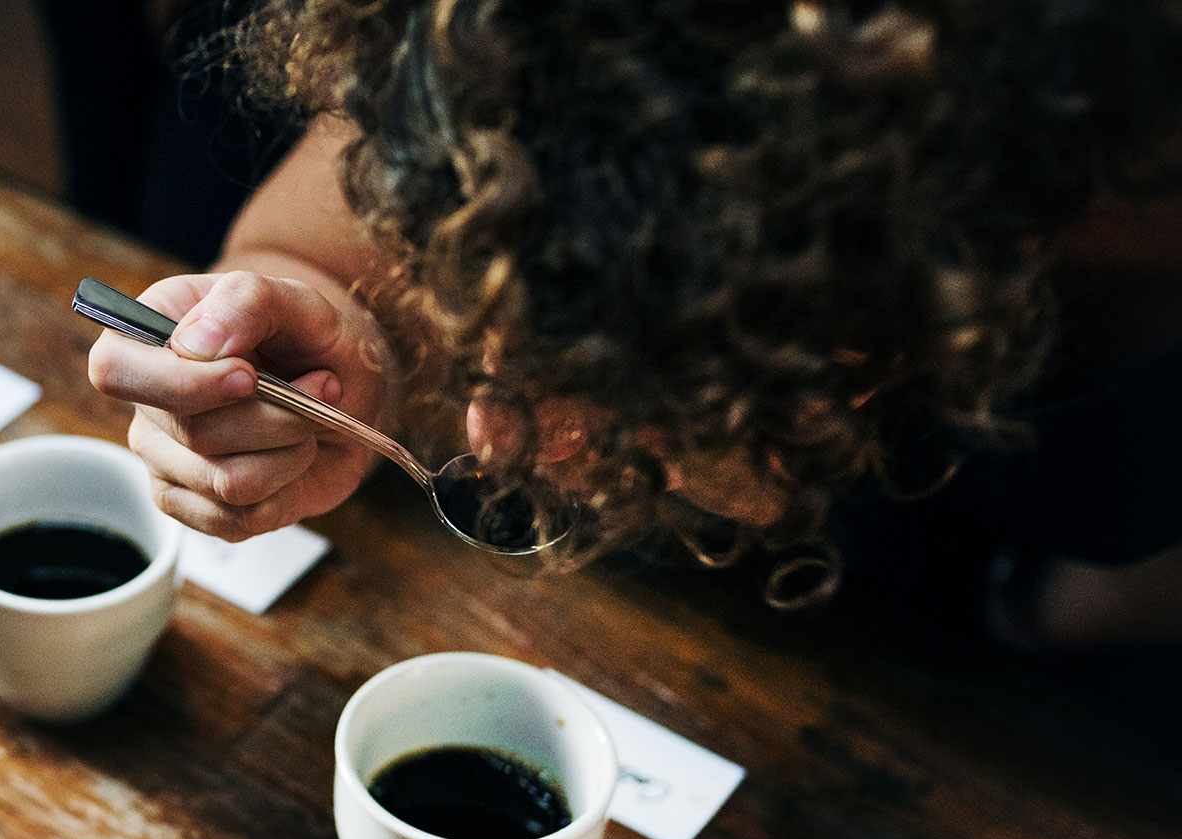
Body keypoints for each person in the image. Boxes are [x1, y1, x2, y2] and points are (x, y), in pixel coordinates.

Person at [86, 0, 1182, 648]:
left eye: (618, 370)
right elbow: (314, 242)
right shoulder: (546, 40)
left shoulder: (1131, 240)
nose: (489, 442)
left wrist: (1023, 616)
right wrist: (338, 334)